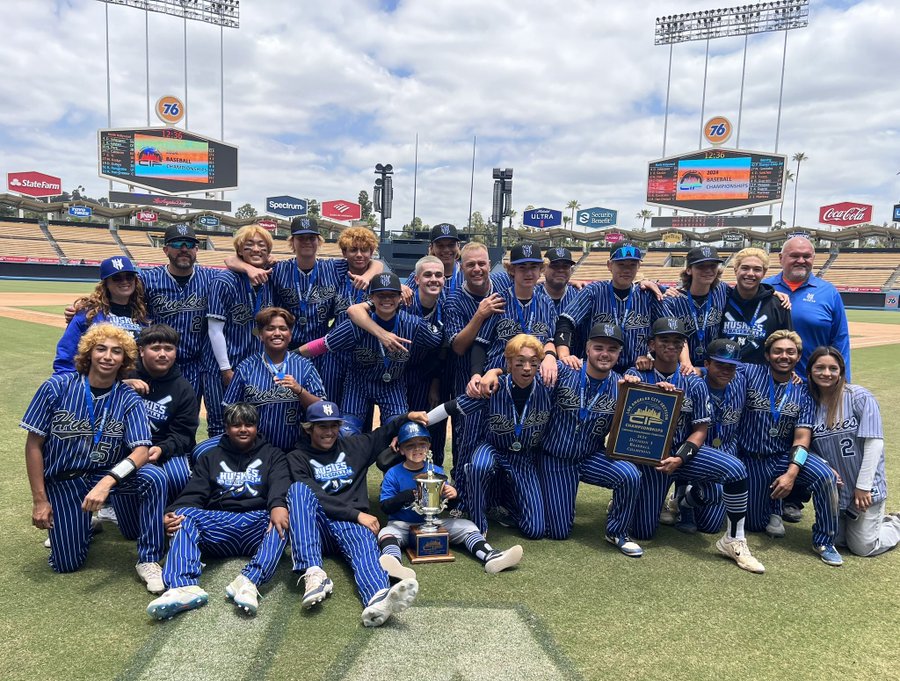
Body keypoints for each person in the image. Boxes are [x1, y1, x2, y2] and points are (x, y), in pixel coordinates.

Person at [21, 323, 167, 591]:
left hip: (107, 476)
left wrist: (107, 482)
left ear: (125, 360)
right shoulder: (57, 387)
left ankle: (148, 559)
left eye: (116, 351)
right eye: (101, 349)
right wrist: (40, 501)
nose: (108, 357)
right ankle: (84, 523)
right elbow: (33, 445)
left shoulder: (127, 398)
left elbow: (141, 451)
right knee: (66, 563)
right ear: (89, 353)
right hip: (65, 480)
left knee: (154, 476)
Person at [625, 318, 765, 573]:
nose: (671, 346)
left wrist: (680, 458)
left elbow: (700, 431)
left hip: (682, 455)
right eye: (664, 341)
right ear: (652, 344)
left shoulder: (694, 382)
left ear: (683, 347)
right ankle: (631, 499)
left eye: (677, 342)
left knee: (734, 471)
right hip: (650, 459)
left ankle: (734, 539)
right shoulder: (637, 373)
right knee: (644, 531)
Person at [284, 401, 427, 627]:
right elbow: (315, 495)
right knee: (298, 490)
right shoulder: (296, 456)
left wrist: (408, 415)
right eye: (322, 426)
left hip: (350, 525)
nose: (329, 432)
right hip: (317, 526)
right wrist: (356, 514)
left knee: (364, 547)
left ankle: (378, 598)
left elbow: (385, 432)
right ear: (308, 428)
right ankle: (313, 572)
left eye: (334, 425)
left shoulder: (355, 446)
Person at [146, 403, 290, 619]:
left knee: (284, 519)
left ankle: (249, 581)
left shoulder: (273, 455)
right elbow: (195, 493)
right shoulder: (210, 457)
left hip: (256, 525)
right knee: (184, 516)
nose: (243, 429)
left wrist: (278, 505)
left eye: (249, 424)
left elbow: (280, 483)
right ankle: (183, 586)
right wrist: (174, 510)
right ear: (226, 428)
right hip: (220, 526)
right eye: (236, 425)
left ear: (257, 428)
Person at [735, 330, 842, 565]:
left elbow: (802, 439)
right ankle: (774, 507)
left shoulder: (804, 391)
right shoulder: (750, 372)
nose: (784, 356)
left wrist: (791, 474)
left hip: (784, 457)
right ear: (767, 355)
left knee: (825, 476)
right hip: (753, 458)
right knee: (755, 524)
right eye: (778, 351)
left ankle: (825, 540)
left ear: (798, 356)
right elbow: (717, 369)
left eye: (790, 352)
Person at [437, 334, 556, 539]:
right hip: (492, 447)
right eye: (520, 362)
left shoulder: (547, 387)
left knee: (535, 530)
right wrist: (416, 420)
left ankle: (506, 505)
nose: (527, 368)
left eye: (533, 363)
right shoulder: (494, 385)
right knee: (478, 466)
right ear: (509, 363)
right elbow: (454, 406)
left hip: (522, 456)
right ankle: (477, 522)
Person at [299, 273, 441, 435]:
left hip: (392, 385)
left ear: (400, 297)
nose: (387, 299)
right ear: (371, 297)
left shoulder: (413, 324)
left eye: (392, 295)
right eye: (381, 295)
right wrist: (290, 356)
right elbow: (323, 345)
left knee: (402, 432)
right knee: (347, 433)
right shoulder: (356, 325)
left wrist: (421, 371)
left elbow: (439, 342)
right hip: (358, 383)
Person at [376, 422, 523, 579]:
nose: (417, 449)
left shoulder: (436, 470)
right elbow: (386, 506)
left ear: (428, 447)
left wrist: (453, 495)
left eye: (422, 444)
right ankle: (394, 565)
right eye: (410, 445)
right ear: (401, 449)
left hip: (433, 524)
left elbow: (446, 505)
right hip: (402, 525)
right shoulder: (393, 473)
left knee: (468, 526)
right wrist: (408, 495)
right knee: (386, 533)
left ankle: (491, 556)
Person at [806, 346, 900, 557]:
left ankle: (895, 523)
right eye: (819, 367)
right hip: (839, 491)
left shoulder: (858, 396)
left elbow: (874, 443)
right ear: (810, 371)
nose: (826, 373)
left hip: (865, 489)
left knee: (863, 547)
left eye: (833, 368)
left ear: (841, 371)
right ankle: (867, 524)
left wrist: (863, 487)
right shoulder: (810, 403)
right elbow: (808, 446)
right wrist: (824, 465)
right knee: (838, 540)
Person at [141, 224, 222, 435]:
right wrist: (82, 307)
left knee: (188, 421)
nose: (184, 249)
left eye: (190, 244)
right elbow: (113, 295)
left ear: (197, 249)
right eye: (177, 244)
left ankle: (184, 458)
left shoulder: (211, 278)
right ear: (166, 249)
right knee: (155, 418)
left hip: (196, 363)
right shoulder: (148, 279)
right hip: (160, 363)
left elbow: (235, 267)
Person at [223, 307, 326, 453]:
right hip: (254, 452)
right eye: (270, 329)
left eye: (283, 328)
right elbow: (229, 411)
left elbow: (322, 409)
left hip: (296, 451)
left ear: (290, 335)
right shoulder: (245, 367)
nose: (277, 333)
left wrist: (300, 391)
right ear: (260, 335)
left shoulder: (305, 366)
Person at [555, 244, 664, 374]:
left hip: (635, 370)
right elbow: (566, 321)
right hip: (594, 371)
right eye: (621, 264)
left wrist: (652, 356)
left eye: (632, 265)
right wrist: (564, 355)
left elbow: (668, 332)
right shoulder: (594, 291)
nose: (627, 270)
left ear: (639, 267)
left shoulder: (647, 294)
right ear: (609, 265)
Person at [126, 324, 199, 502]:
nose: (162, 354)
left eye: (169, 348)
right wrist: (123, 385)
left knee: (177, 477)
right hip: (126, 447)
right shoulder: (124, 375)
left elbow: (183, 434)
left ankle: (169, 512)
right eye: (155, 348)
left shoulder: (183, 388)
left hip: (163, 448)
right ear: (141, 350)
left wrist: (161, 449)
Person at [763, 236, 851, 379]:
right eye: (794, 256)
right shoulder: (764, 288)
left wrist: (844, 380)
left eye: (807, 256)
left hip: (815, 383)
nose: (801, 261)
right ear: (781, 258)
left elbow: (840, 339)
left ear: (813, 258)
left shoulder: (829, 292)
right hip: (768, 382)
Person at [207, 225, 274, 394]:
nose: (256, 249)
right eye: (249, 245)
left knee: (253, 419)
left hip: (256, 366)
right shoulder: (224, 281)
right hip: (222, 367)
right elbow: (215, 330)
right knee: (222, 418)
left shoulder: (271, 278)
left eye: (261, 245)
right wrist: (225, 369)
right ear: (239, 250)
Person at [54, 255, 148, 374]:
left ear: (135, 280)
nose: (124, 281)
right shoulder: (88, 314)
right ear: (106, 283)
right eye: (117, 278)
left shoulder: (144, 315)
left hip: (137, 385)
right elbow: (66, 356)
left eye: (129, 277)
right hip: (98, 385)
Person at [720, 247, 793, 364]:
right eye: (745, 268)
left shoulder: (778, 305)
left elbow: (787, 342)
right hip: (725, 370)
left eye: (757, 269)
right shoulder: (722, 300)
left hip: (762, 373)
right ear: (735, 270)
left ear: (764, 273)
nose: (750, 273)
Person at [662, 246, 729, 373]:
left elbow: (747, 292)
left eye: (713, 266)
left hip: (714, 367)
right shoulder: (673, 300)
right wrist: (686, 363)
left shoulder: (722, 290)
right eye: (701, 266)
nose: (708, 270)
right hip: (682, 368)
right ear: (688, 270)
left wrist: (773, 293)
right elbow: (676, 335)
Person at [538, 247, 579, 312]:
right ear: (543, 269)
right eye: (555, 266)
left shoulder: (579, 297)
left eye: (565, 266)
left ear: (570, 270)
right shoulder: (532, 294)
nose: (561, 270)